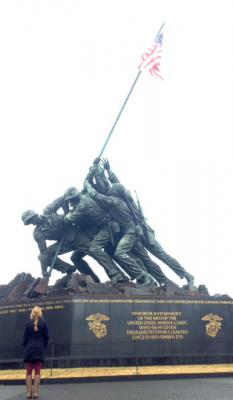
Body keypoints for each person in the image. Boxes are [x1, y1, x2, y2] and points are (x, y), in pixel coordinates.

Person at [23, 306, 49, 399]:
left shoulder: (27, 324)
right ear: (40, 313)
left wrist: (26, 346)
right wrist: (44, 346)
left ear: (32, 313)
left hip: (29, 349)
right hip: (39, 349)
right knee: (37, 372)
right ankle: (36, 393)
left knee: (28, 372)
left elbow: (25, 338)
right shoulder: (44, 323)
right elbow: (46, 337)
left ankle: (28, 393)